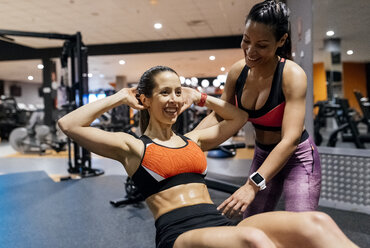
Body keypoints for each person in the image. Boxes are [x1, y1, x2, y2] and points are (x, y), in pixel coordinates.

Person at [58, 65, 358, 248]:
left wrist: (200, 97)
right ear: (145, 100)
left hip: (220, 225)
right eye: (165, 93)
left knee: (315, 222)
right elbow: (68, 124)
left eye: (178, 92)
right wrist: (120, 97)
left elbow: (238, 117)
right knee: (254, 241)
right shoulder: (132, 146)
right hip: (179, 234)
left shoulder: (194, 140)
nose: (174, 100)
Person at [195, 0, 321, 219]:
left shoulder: (292, 75)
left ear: (281, 40)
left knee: (300, 227)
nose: (250, 51)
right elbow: (219, 114)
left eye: (261, 45)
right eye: (246, 40)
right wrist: (186, 143)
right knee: (250, 223)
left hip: (297, 158)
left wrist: (252, 186)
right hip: (263, 154)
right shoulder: (238, 71)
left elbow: (290, 140)